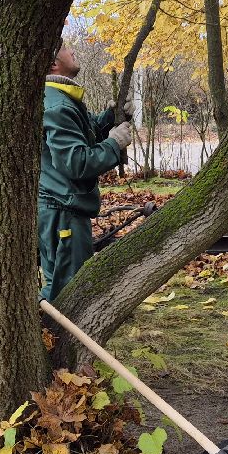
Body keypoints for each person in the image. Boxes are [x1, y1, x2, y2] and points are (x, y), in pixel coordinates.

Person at [39, 42, 134, 301]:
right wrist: (114, 144)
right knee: (65, 291)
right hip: (62, 211)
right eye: (67, 49)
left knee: (65, 284)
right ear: (53, 64)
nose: (74, 52)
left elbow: (82, 133)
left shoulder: (60, 98)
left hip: (62, 207)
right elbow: (76, 162)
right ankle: (53, 339)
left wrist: (111, 118)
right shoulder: (57, 105)